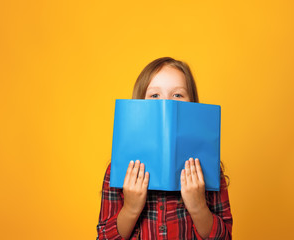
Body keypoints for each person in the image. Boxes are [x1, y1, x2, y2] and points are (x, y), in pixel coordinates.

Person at [96, 57, 233, 239]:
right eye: (154, 95)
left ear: (192, 105)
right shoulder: (119, 170)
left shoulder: (209, 169)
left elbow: (225, 237)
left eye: (177, 95)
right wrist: (130, 208)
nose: (166, 104)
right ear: (139, 105)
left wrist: (198, 207)